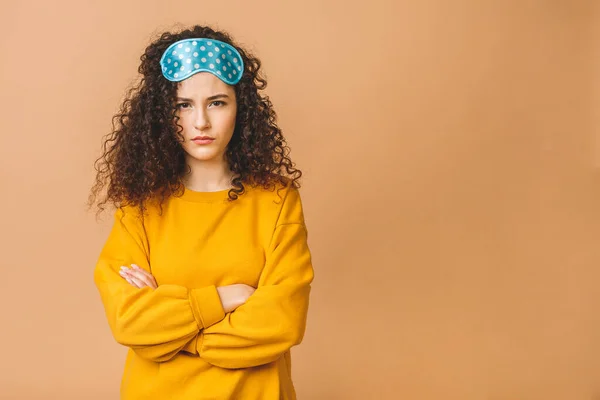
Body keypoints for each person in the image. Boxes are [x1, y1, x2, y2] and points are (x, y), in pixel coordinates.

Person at [88, 24, 314, 400]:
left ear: (241, 108)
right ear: (162, 113)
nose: (201, 122)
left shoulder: (277, 199)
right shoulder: (139, 205)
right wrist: (224, 300)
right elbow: (129, 321)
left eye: (217, 102)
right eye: (183, 105)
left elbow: (282, 321)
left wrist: (178, 331)